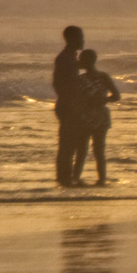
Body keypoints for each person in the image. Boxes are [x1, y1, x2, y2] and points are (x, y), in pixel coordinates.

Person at [72, 50, 120, 185]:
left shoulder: (85, 79)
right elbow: (116, 96)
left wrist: (102, 100)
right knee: (94, 149)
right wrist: (104, 100)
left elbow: (116, 96)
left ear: (87, 61)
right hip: (93, 116)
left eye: (81, 60)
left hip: (90, 116)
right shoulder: (101, 77)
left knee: (86, 149)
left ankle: (83, 178)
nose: (79, 62)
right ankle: (98, 178)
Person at [52, 26, 86, 185]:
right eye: (80, 37)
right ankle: (65, 178)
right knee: (68, 144)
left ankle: (67, 177)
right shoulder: (66, 58)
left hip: (69, 104)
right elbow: (60, 84)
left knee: (71, 143)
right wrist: (71, 104)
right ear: (72, 39)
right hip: (68, 106)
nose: (83, 40)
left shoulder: (70, 57)